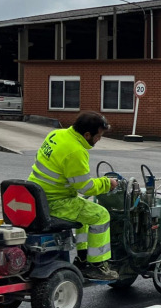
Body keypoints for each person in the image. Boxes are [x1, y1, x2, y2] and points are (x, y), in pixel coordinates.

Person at [28, 111, 120, 280]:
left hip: (37, 195)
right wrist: (107, 183)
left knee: (85, 212)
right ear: (87, 135)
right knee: (101, 215)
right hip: (55, 202)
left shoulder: (57, 134)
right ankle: (97, 266)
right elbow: (85, 187)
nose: (99, 140)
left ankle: (83, 258)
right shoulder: (76, 151)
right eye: (98, 136)